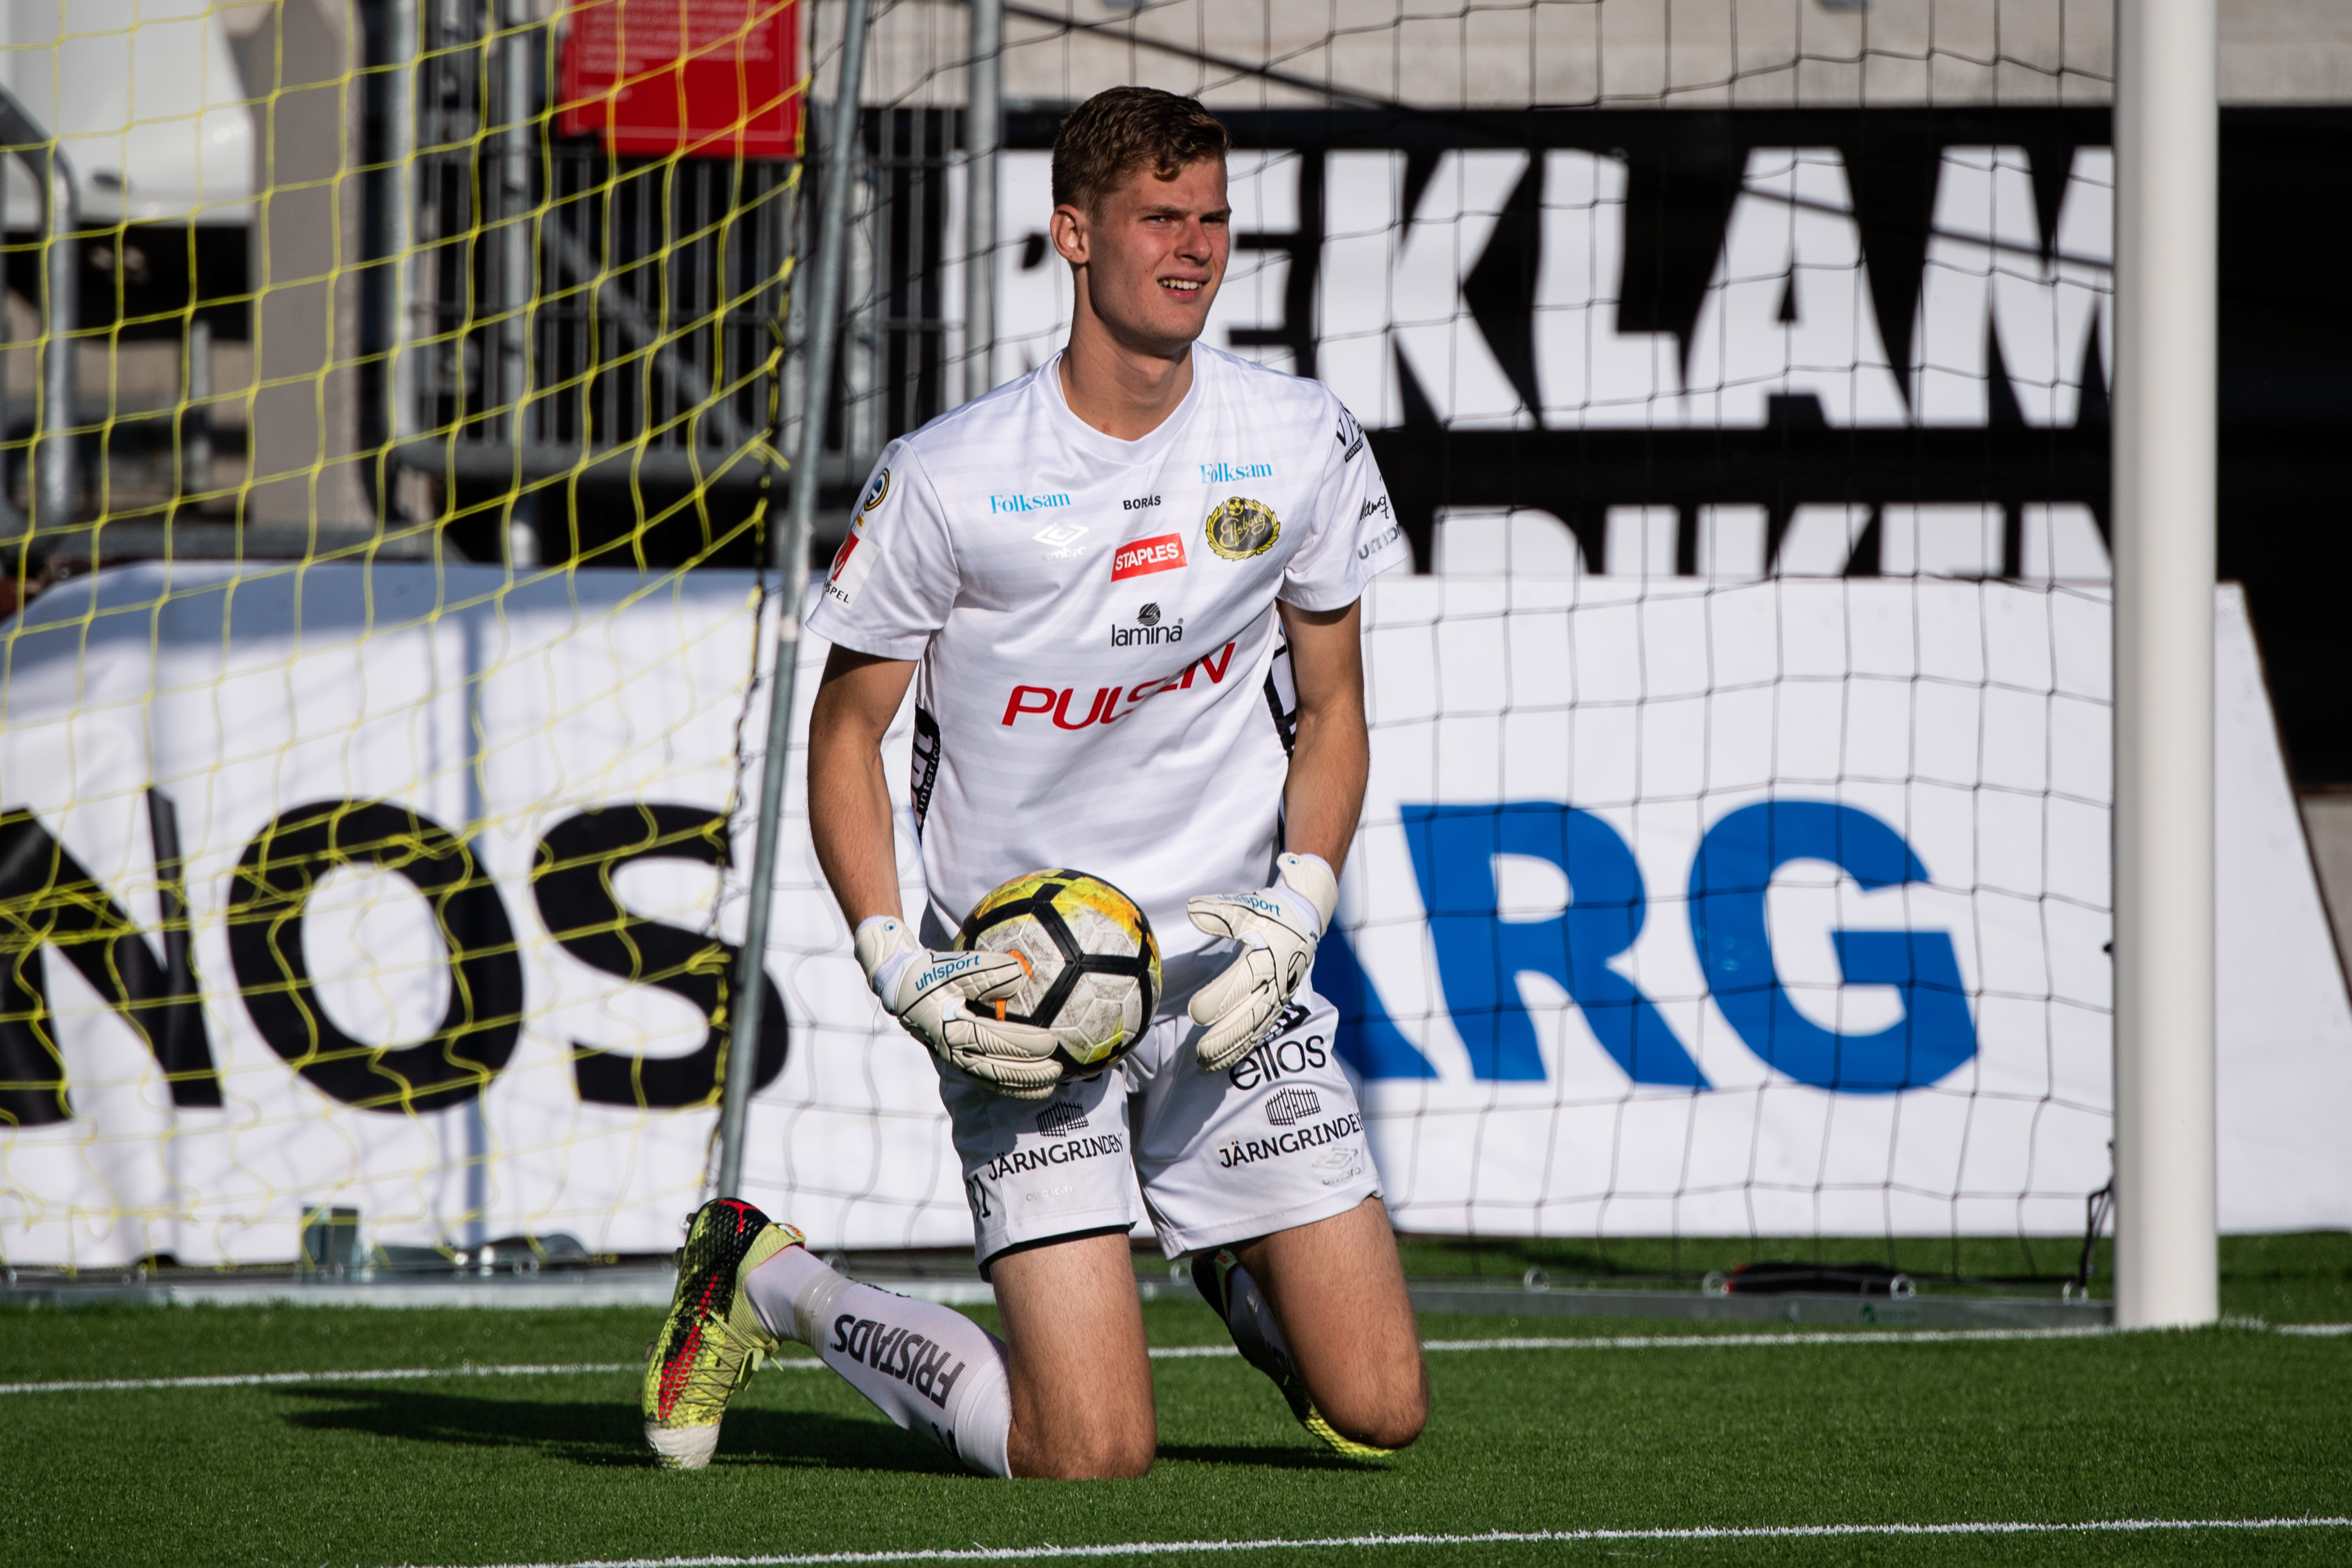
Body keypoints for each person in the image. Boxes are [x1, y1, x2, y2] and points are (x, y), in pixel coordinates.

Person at [640, 85, 1423, 1480]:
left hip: (1231, 975)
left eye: (1211, 217)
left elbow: (1334, 707)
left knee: (1377, 1411)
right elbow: (844, 734)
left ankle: (1220, 1243)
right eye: (1157, 218)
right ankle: (764, 1277)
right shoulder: (948, 477)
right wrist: (896, 959)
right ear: (1073, 233)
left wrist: (1300, 903)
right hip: (1023, 993)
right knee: (1086, 1451)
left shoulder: (1300, 435)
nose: (1193, 247)